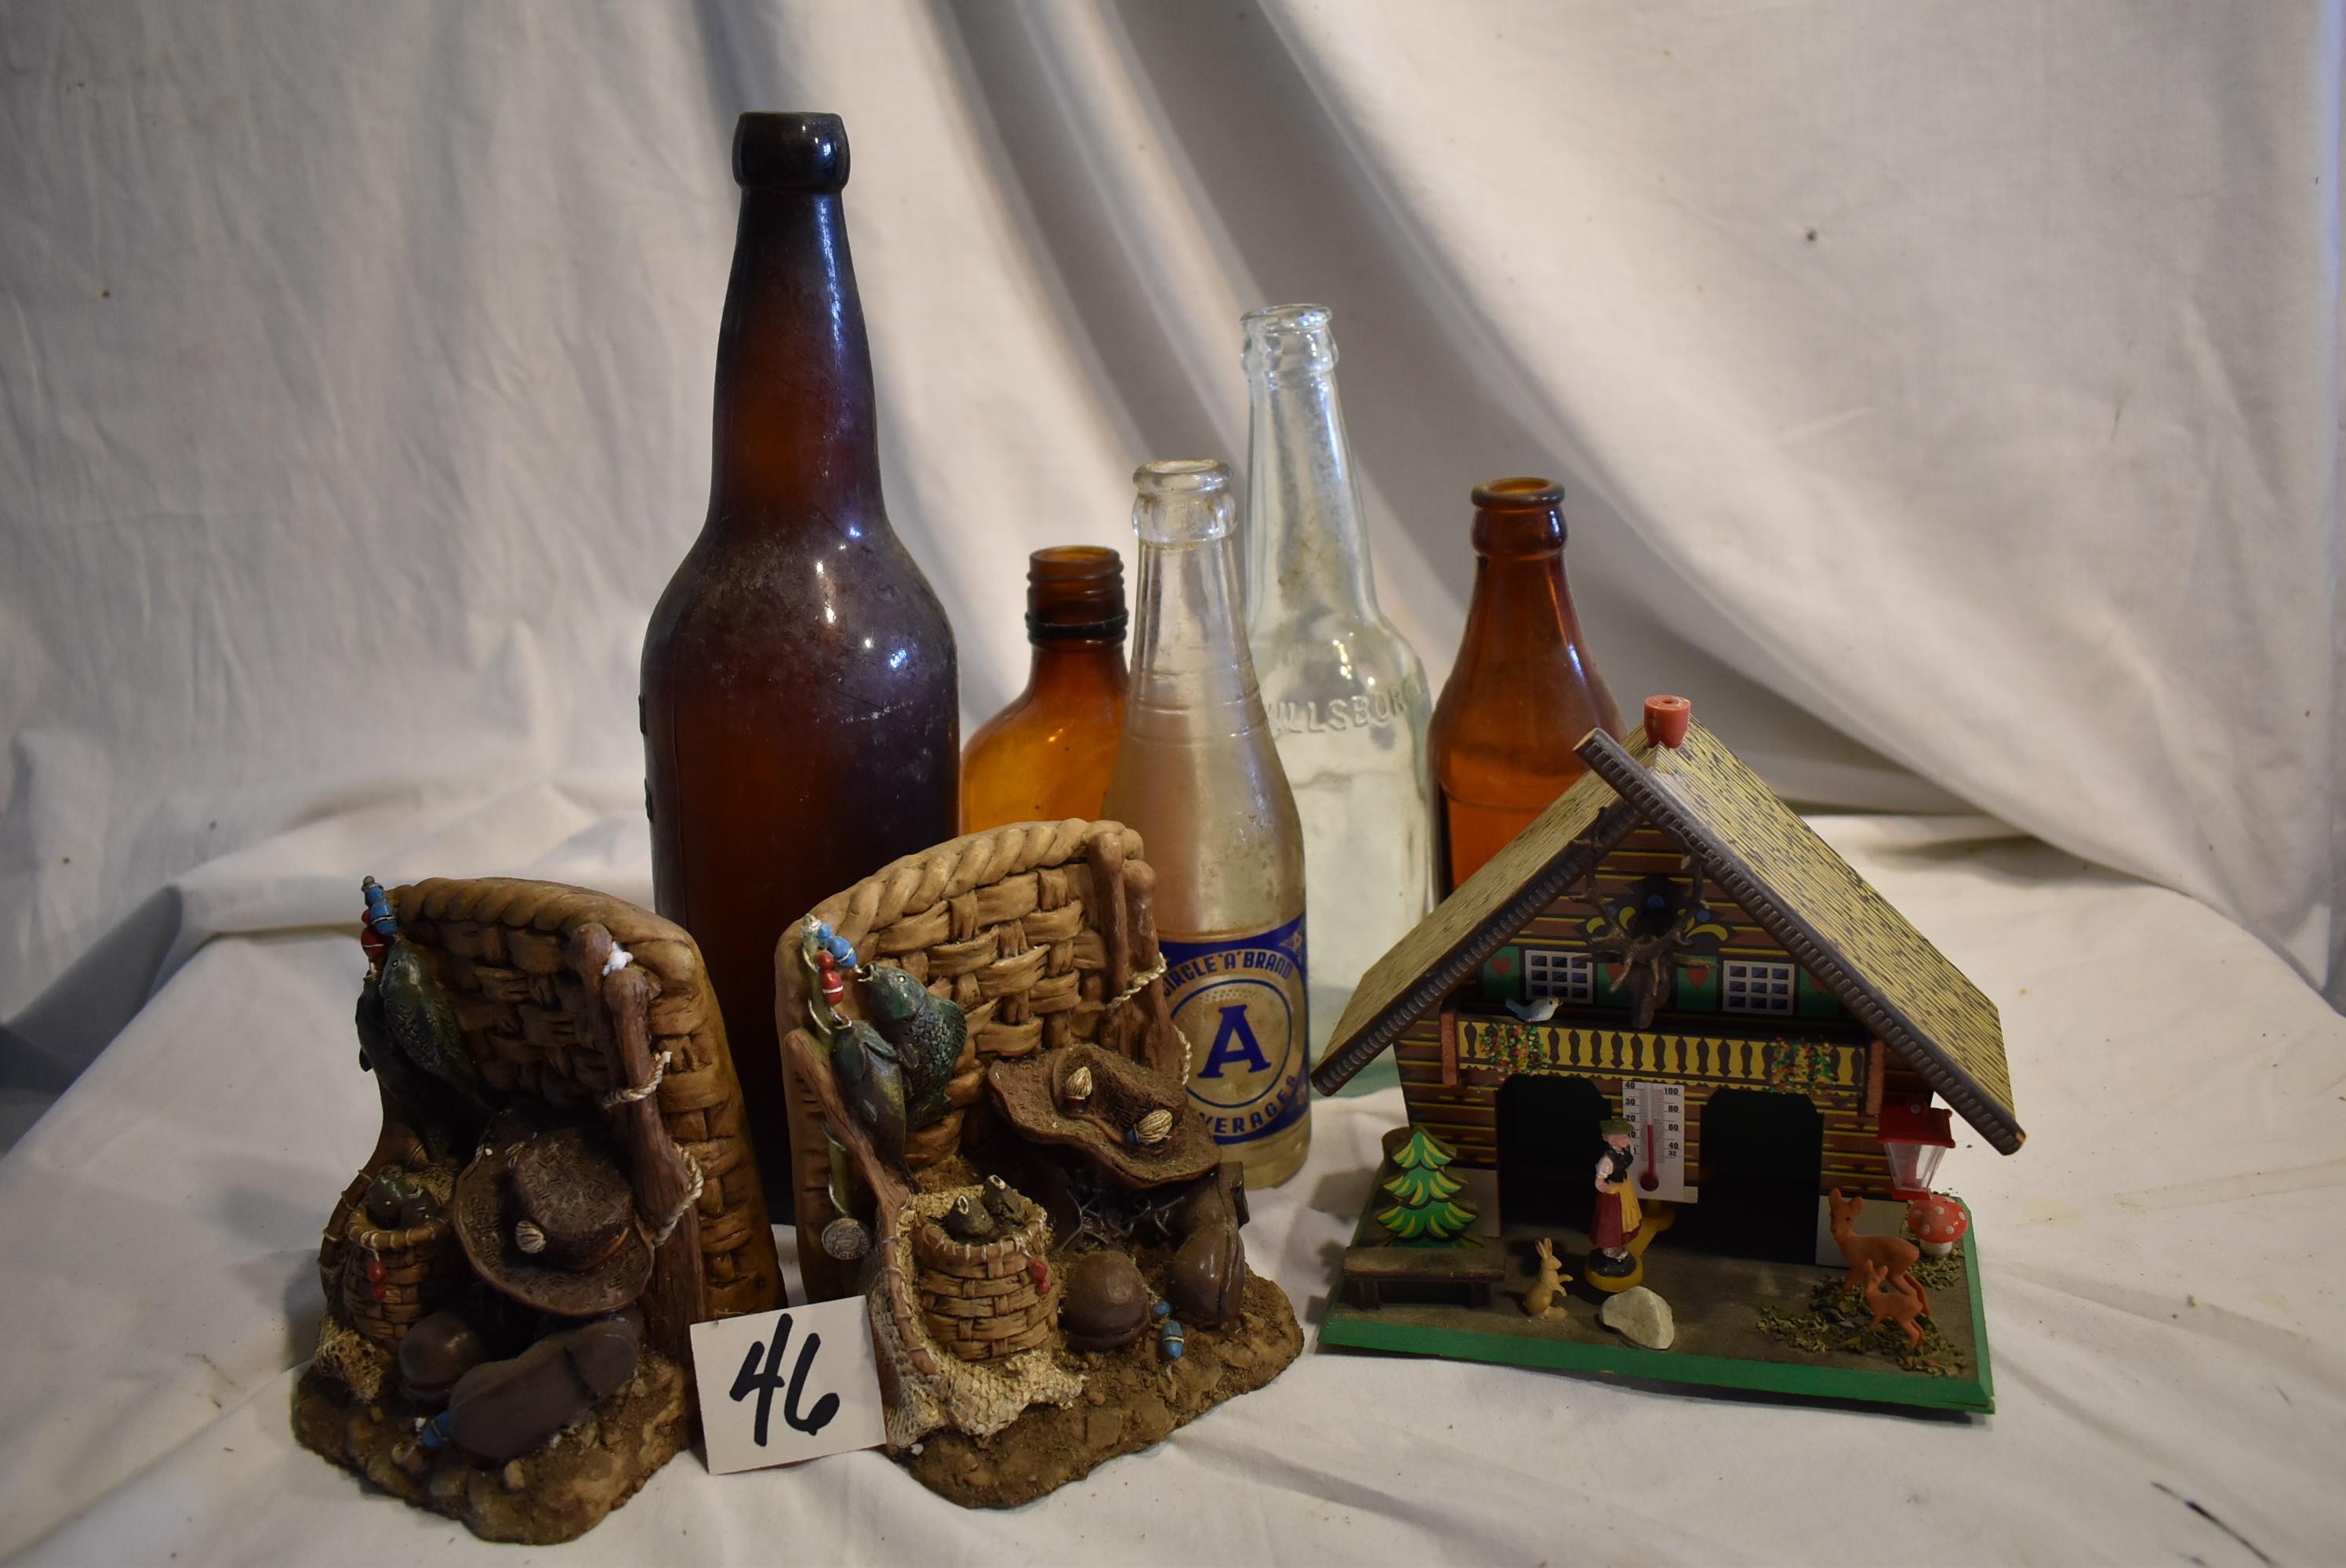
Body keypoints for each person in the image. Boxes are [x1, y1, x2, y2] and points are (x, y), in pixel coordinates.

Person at [1589, 1116, 1643, 1276]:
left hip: (1624, 1189)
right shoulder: (1607, 1160)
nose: (1625, 1139)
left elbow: (1625, 1164)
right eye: (1621, 1136)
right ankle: (1608, 1249)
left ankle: (1617, 1245)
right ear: (1610, 1139)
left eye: (1626, 1136)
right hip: (1612, 1196)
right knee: (1611, 1223)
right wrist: (1610, 1189)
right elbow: (1599, 1182)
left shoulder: (1628, 1148)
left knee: (1626, 1220)